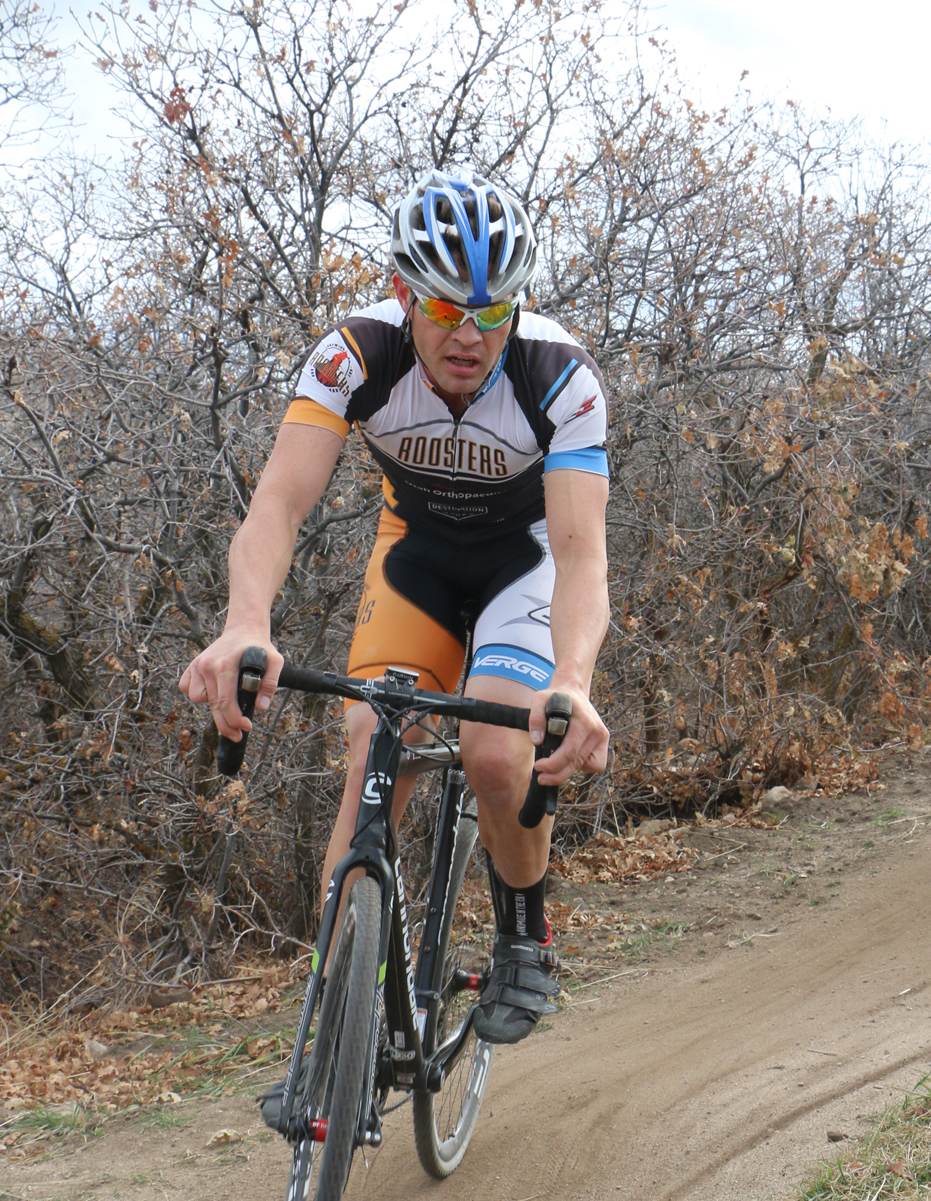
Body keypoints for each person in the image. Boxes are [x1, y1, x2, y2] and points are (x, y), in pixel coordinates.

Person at [179, 169, 611, 1045]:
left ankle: (525, 935)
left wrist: (572, 680)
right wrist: (245, 623)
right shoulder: (354, 356)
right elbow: (278, 505)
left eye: (493, 314)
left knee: (496, 754)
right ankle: (329, 1027)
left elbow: (577, 551)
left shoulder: (560, 378)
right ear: (401, 291)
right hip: (414, 558)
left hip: (519, 568)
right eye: (446, 308)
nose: (469, 336)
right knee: (376, 742)